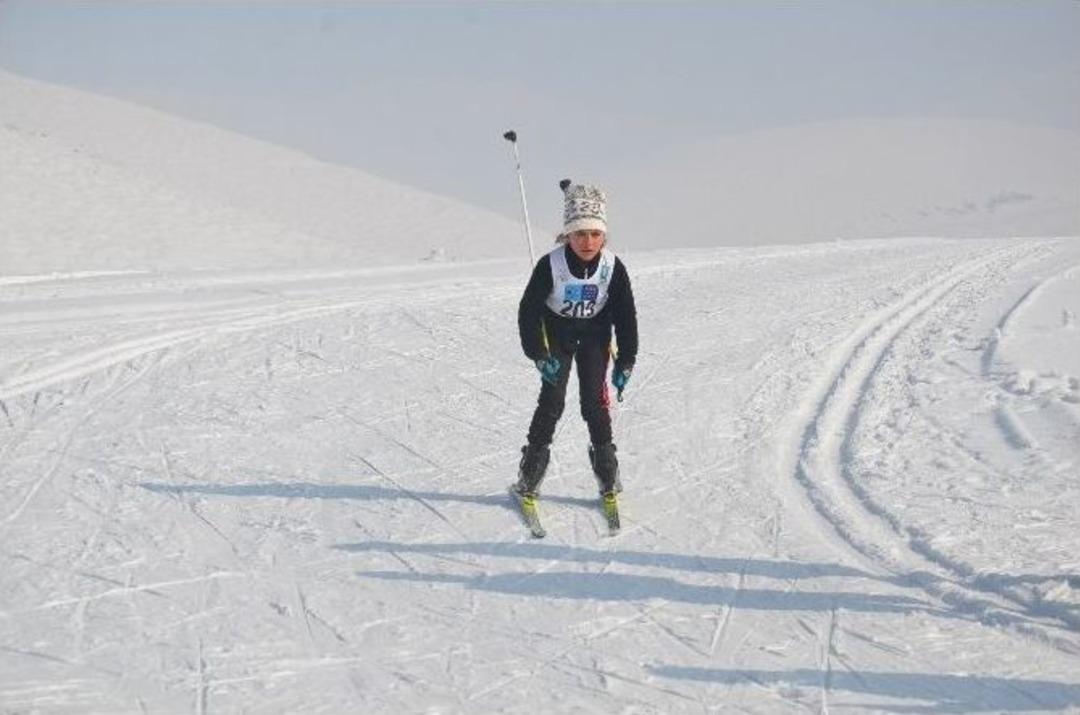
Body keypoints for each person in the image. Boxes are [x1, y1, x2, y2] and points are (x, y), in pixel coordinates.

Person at [514, 181, 638, 498]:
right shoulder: (550, 265)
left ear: (604, 236)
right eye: (580, 233)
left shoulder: (612, 267)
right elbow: (529, 312)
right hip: (558, 334)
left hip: (595, 335)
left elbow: (626, 316)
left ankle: (608, 473)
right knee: (552, 400)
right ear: (568, 234)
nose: (588, 242)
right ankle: (531, 472)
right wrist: (539, 354)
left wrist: (626, 360)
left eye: (595, 234)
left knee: (594, 402)